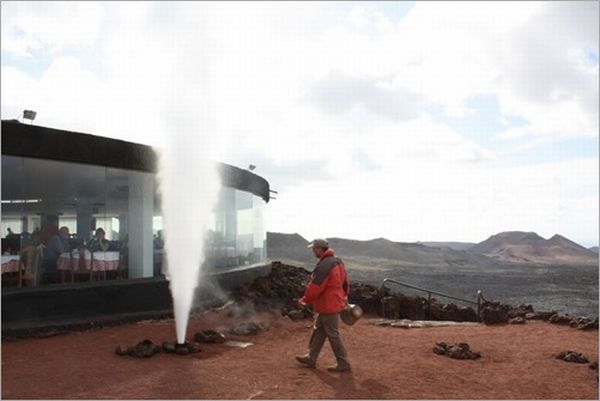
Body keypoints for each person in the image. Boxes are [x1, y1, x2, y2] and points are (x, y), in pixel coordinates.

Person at [295, 238, 352, 372]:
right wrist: (344, 297)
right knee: (319, 330)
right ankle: (311, 357)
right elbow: (345, 283)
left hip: (328, 304)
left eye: (314, 249)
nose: (313, 251)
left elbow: (315, 286)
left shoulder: (324, 265)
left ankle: (343, 362)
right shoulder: (337, 261)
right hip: (333, 302)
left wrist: (305, 299)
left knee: (332, 333)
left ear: (320, 249)